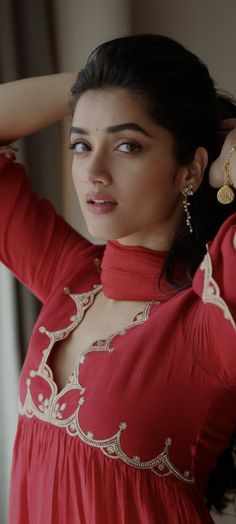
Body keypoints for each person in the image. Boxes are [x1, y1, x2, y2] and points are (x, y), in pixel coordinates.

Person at [1, 34, 236, 524]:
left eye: (127, 145)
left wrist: (228, 167)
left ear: (189, 170)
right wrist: (91, 84)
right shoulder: (71, 277)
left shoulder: (209, 318)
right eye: (81, 144)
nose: (93, 171)